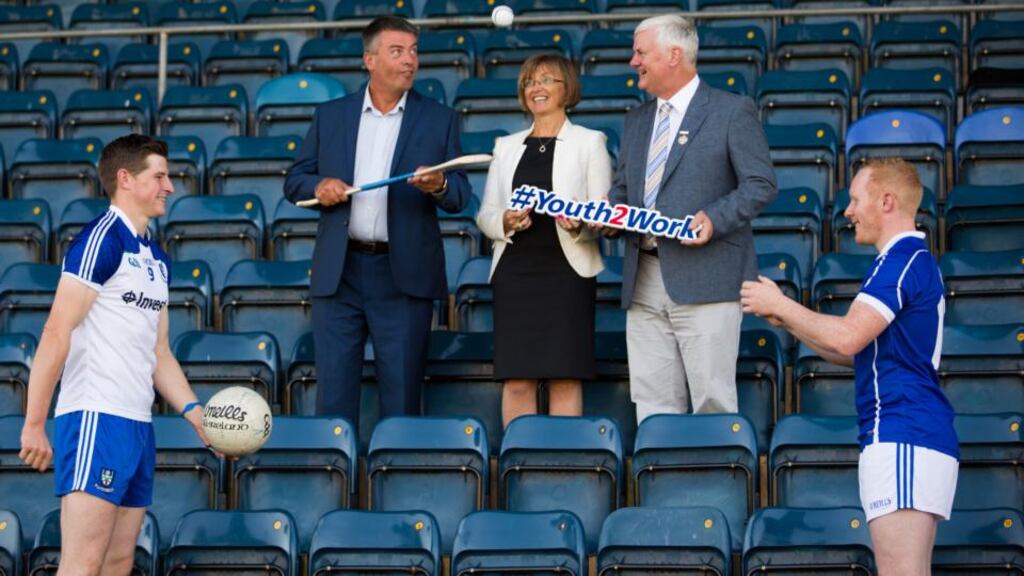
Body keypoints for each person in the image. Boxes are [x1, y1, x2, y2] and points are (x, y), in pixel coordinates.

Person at [741, 158, 958, 576]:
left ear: (887, 201)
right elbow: (855, 351)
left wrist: (782, 305)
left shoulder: (901, 261)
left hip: (903, 432)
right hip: (907, 433)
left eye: (856, 200)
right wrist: (788, 318)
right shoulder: (904, 260)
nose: (849, 211)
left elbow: (847, 337)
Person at [18, 134, 211, 575]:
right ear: (125, 179)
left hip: (137, 425)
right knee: (82, 564)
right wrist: (33, 422)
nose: (170, 186)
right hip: (94, 417)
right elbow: (55, 330)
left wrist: (196, 413)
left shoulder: (157, 259)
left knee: (119, 561)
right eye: (159, 176)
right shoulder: (100, 241)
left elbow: (159, 352)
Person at [283, 16, 471, 427]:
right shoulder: (331, 116)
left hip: (403, 278)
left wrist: (438, 184)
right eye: (398, 51)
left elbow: (460, 196)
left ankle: (400, 488)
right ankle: (332, 485)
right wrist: (321, 185)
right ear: (369, 59)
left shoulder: (439, 118)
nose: (410, 61)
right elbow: (295, 182)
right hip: (340, 274)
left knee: (403, 398)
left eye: (414, 51)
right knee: (332, 397)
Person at [605, 14, 777, 423]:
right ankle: (664, 486)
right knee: (652, 406)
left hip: (708, 277)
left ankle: (716, 486)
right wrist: (606, 213)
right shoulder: (636, 120)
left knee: (712, 403)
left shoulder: (732, 111)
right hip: (643, 278)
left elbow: (761, 184)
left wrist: (714, 219)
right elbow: (625, 192)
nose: (633, 61)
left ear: (674, 54)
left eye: (641, 52)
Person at [477, 53, 613, 427]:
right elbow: (485, 215)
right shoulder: (506, 146)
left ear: (567, 88)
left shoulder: (590, 142)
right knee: (517, 378)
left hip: (567, 273)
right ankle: (522, 465)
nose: (536, 88)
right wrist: (504, 220)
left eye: (547, 80)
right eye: (530, 82)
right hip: (515, 272)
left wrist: (578, 225)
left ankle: (564, 466)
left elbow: (603, 213)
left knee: (565, 375)